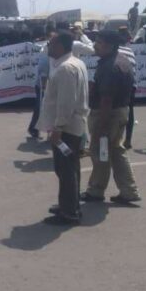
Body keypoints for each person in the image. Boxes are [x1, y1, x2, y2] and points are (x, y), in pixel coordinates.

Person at [81, 31, 141, 206]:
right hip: (120, 112)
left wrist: (102, 125)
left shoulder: (109, 67)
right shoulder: (122, 61)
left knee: (100, 152)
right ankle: (129, 191)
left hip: (107, 114)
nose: (95, 45)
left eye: (99, 42)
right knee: (116, 151)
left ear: (110, 46)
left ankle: (96, 190)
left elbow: (106, 99)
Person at [38, 32, 90, 225]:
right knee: (70, 168)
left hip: (66, 128)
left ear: (60, 46)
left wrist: (58, 128)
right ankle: (69, 205)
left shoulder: (66, 68)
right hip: (71, 125)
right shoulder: (75, 63)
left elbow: (66, 103)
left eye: (51, 44)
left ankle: (69, 212)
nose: (48, 47)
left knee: (66, 170)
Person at [28, 30, 53, 139]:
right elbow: (43, 73)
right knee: (40, 108)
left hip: (50, 85)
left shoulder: (50, 52)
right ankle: (33, 129)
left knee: (46, 109)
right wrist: (44, 88)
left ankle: (48, 132)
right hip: (43, 86)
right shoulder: (46, 55)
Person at [118, 29, 137, 149]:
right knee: (130, 112)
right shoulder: (130, 51)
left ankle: (116, 139)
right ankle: (128, 140)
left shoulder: (115, 51)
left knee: (115, 112)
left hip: (119, 85)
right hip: (131, 85)